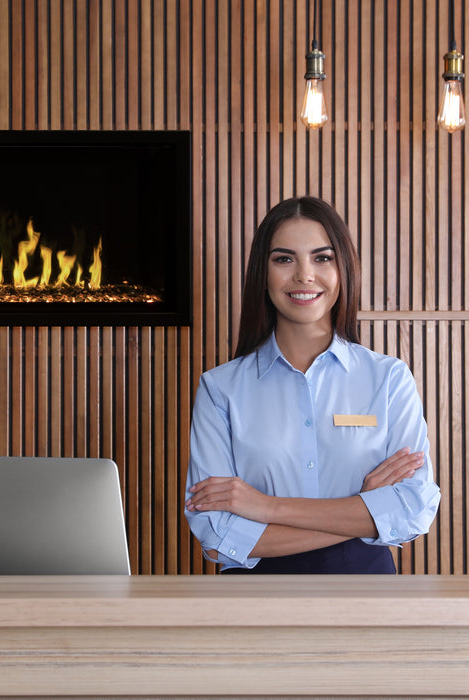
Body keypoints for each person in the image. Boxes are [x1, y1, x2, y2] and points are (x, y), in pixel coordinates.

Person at [184, 196, 440, 574]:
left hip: (367, 592)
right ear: (262, 273)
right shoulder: (219, 389)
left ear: (343, 268)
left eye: (322, 258)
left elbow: (412, 509)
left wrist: (267, 507)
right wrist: (363, 508)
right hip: (253, 595)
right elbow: (217, 533)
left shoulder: (388, 379)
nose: (304, 275)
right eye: (284, 259)